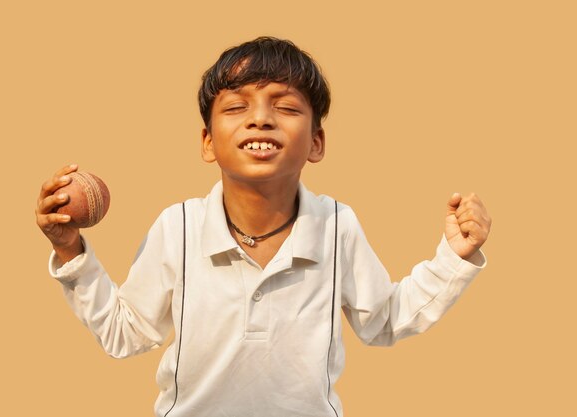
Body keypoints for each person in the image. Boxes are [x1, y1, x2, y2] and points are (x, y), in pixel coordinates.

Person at [35, 37, 491, 417]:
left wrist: (455, 257)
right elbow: (125, 333)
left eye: (286, 107)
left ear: (316, 142)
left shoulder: (336, 225)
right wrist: (71, 249)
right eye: (236, 106)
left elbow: (385, 321)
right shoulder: (178, 227)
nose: (260, 117)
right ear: (208, 142)